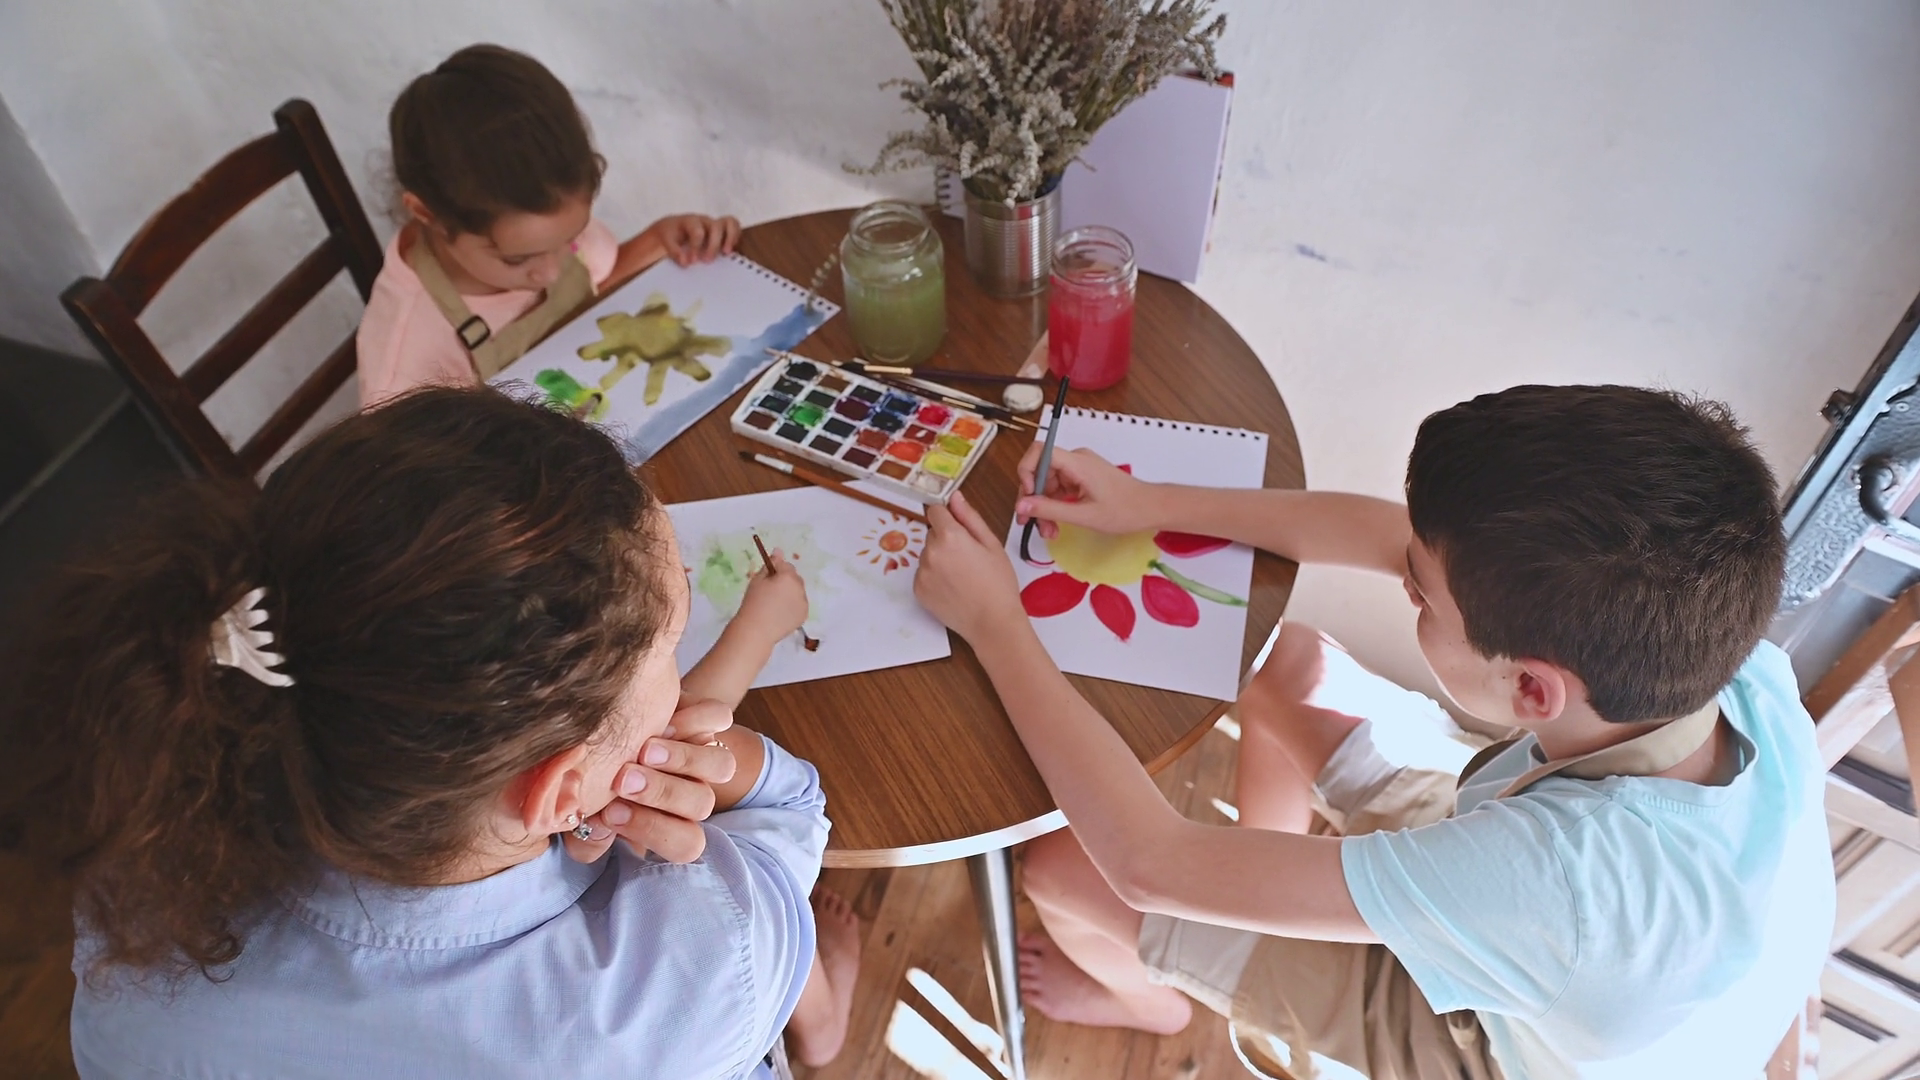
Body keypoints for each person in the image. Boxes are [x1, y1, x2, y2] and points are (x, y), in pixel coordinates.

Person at [911, 384, 1835, 1079]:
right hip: (1561, 909)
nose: (1404, 585)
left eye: (1420, 598)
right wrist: (1152, 500)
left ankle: (1151, 1003)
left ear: (1533, 689)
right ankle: (1254, 887)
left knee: (1061, 873)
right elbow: (1387, 536)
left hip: (1479, 1038)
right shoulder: (1727, 655)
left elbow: (1149, 864)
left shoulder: (1553, 881)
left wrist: (996, 623)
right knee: (1284, 658)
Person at [3, 388, 858, 1077]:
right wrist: (729, 760)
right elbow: (789, 810)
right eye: (671, 645)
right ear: (557, 791)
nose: (678, 659)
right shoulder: (697, 973)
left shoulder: (143, 886)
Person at [356, 44, 742, 408]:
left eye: (570, 241)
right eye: (517, 260)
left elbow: (591, 297)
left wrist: (660, 239)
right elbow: (412, 459)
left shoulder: (538, 234)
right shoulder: (406, 364)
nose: (552, 273)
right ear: (427, 214)